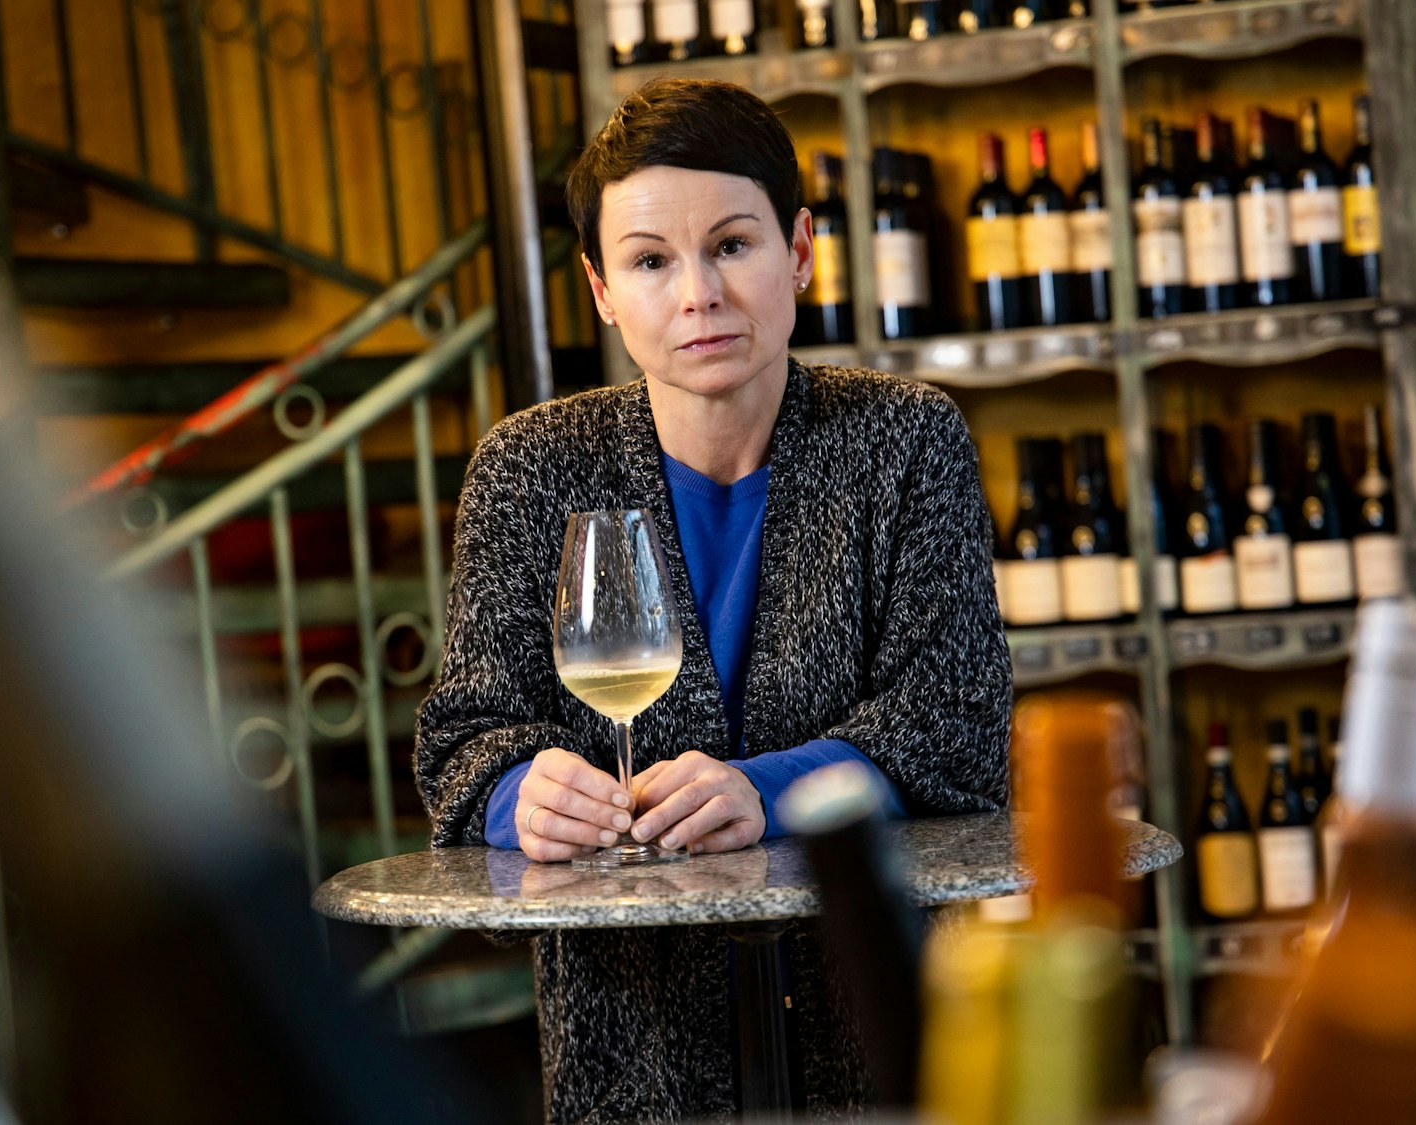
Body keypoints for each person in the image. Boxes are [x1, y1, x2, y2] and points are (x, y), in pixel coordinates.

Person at [415, 77, 1011, 1122]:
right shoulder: (528, 467)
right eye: (650, 261)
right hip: (631, 1056)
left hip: (876, 1040)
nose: (697, 294)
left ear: (799, 249)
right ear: (601, 289)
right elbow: (461, 741)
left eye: (732, 245)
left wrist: (766, 791)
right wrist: (521, 792)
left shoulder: (905, 441)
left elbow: (953, 730)